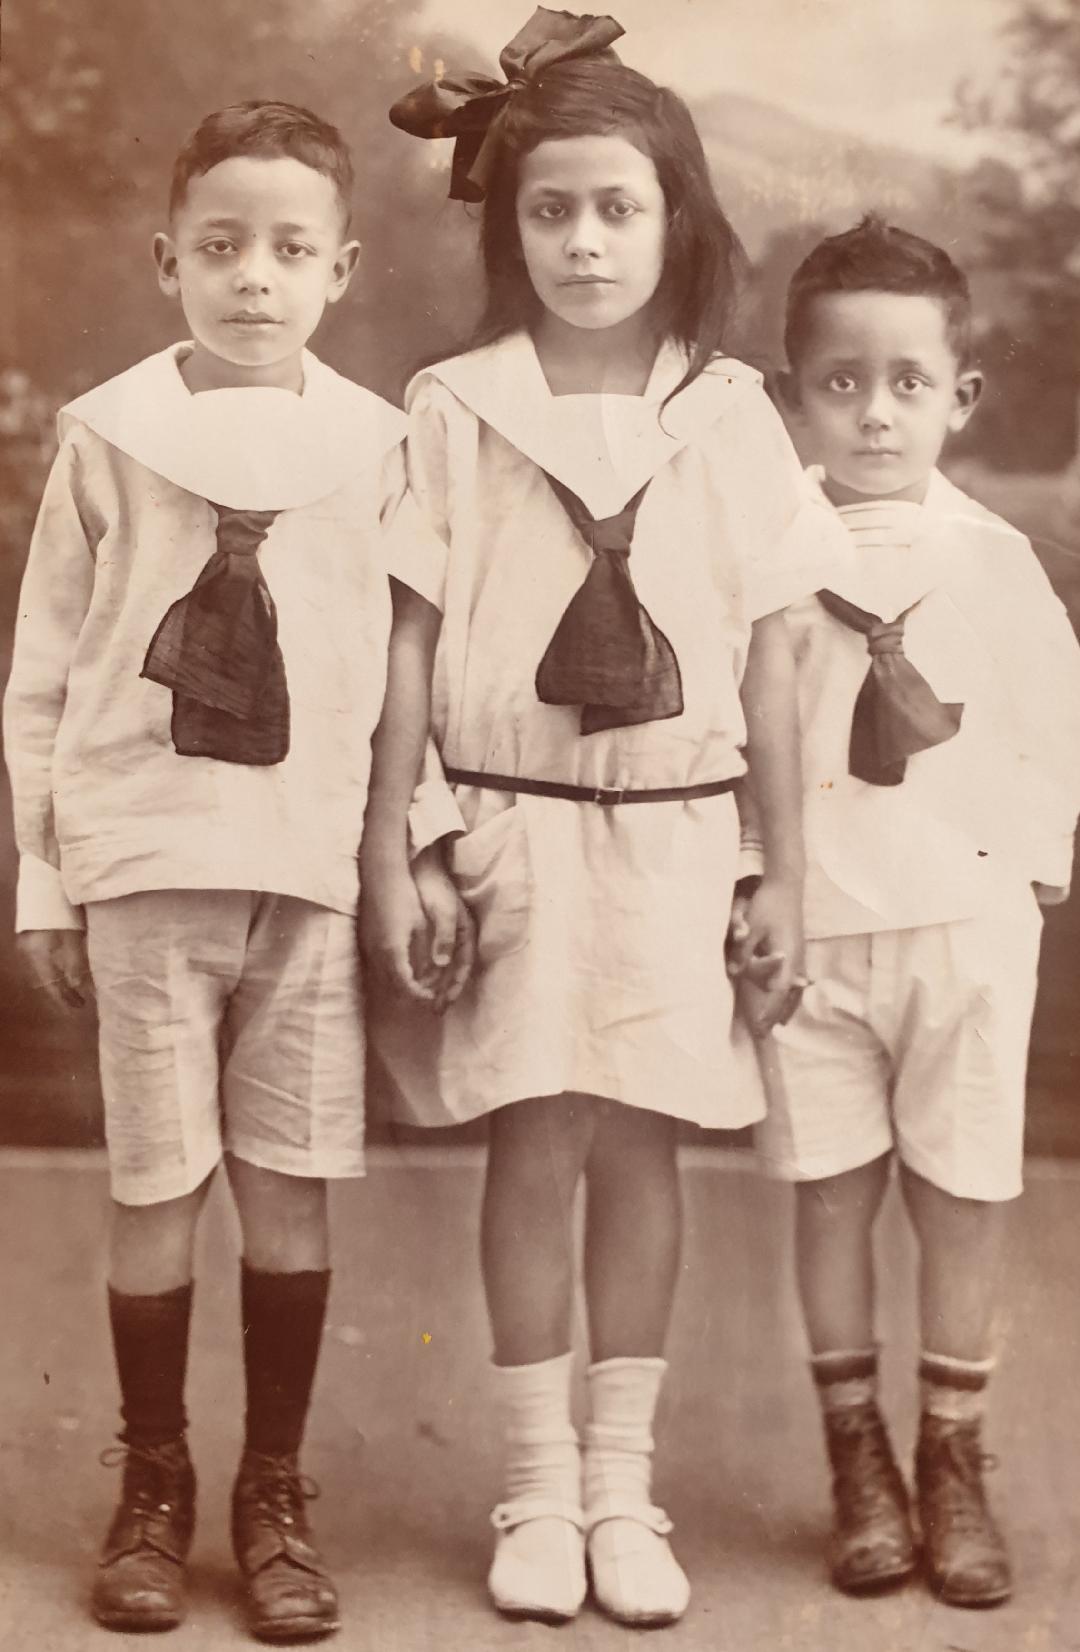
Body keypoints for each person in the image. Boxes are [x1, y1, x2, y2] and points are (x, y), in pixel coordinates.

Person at [365, 8, 845, 1628]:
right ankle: (537, 1488)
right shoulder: (456, 405)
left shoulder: (731, 413)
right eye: (551, 209)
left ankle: (624, 1488)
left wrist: (780, 871)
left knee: (641, 1146)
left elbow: (775, 661)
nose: (583, 241)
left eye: (617, 208)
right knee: (535, 1140)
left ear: (675, 220)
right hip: (513, 828)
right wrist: (414, 844)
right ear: (506, 225)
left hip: (677, 831)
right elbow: (412, 644)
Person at [3, 101, 463, 1642]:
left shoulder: (376, 447)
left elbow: (400, 674)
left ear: (341, 267)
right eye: (220, 247)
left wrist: (412, 852)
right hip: (145, 859)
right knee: (155, 1183)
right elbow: (46, 672)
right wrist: (46, 880)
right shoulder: (108, 434)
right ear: (167, 261)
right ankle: (153, 1481)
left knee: (288, 1183)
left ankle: (274, 1491)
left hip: (307, 870)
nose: (253, 277)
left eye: (286, 249)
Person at [754, 214, 1080, 1608]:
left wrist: (1029, 870)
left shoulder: (994, 558)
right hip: (819, 926)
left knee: (961, 1192)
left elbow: (1049, 719)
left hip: (960, 925)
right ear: (795, 396)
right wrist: (753, 883)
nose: (875, 413)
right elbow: (742, 732)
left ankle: (953, 1456)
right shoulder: (767, 555)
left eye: (907, 383)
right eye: (842, 382)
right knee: (833, 1191)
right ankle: (860, 1460)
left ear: (961, 396)